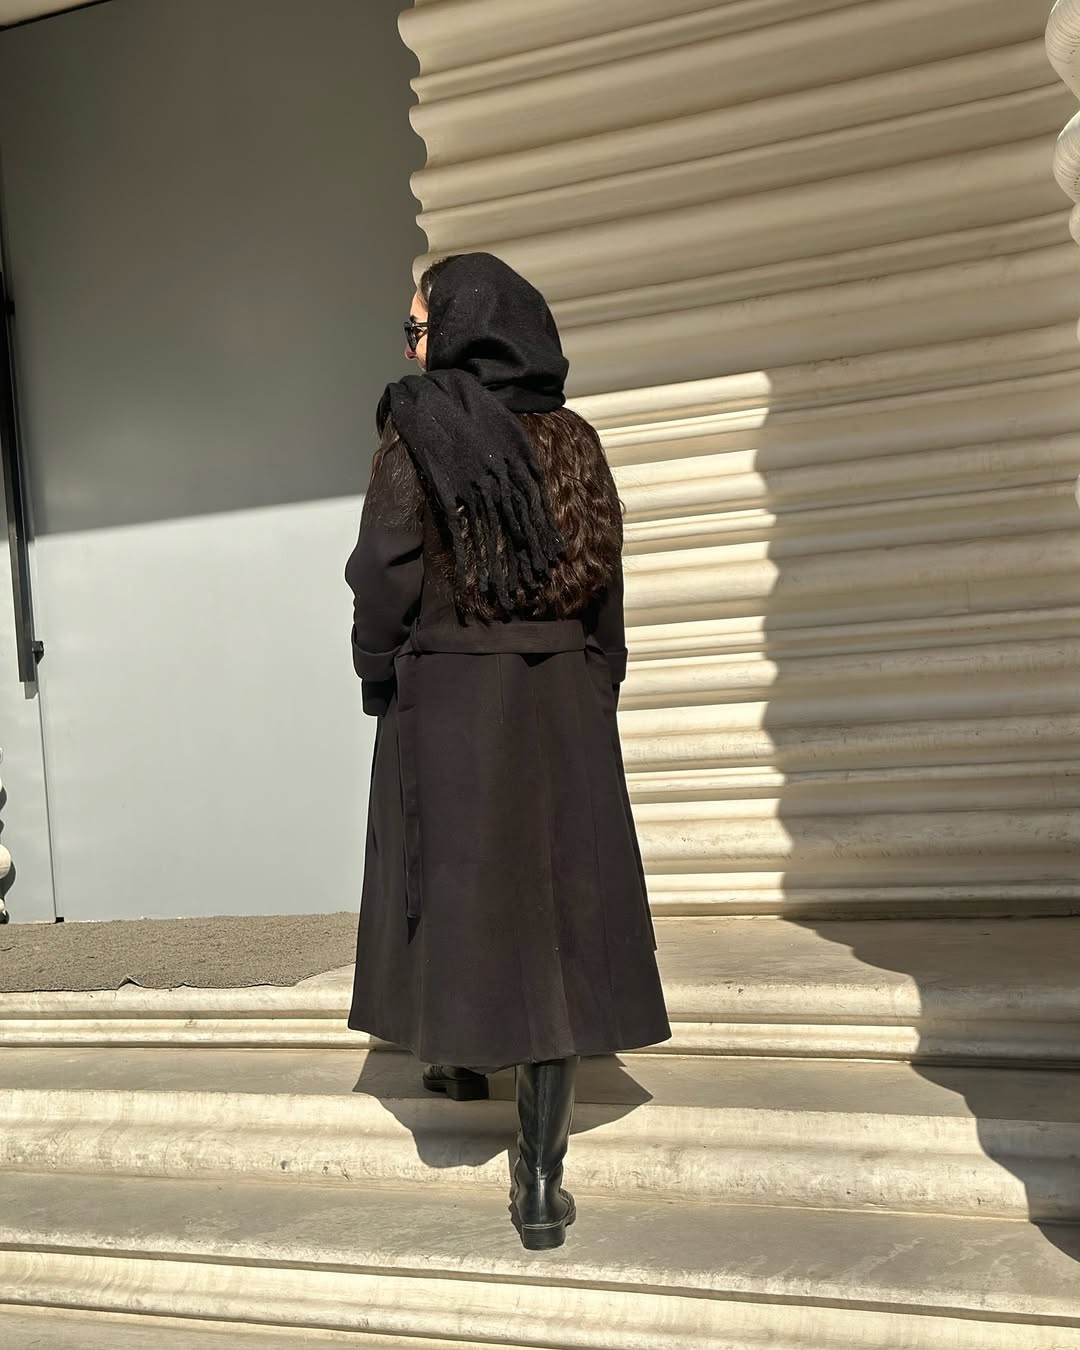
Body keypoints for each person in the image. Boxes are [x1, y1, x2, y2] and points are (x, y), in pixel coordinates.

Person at [345, 251, 670, 1250]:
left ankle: (452, 1059)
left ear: (460, 328)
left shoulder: (419, 430)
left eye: (418, 327)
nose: (412, 348)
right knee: (556, 914)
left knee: (451, 884)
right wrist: (595, 682)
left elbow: (382, 574)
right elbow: (604, 575)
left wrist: (378, 674)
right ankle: (538, 1179)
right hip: (560, 695)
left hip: (447, 694)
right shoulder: (575, 440)